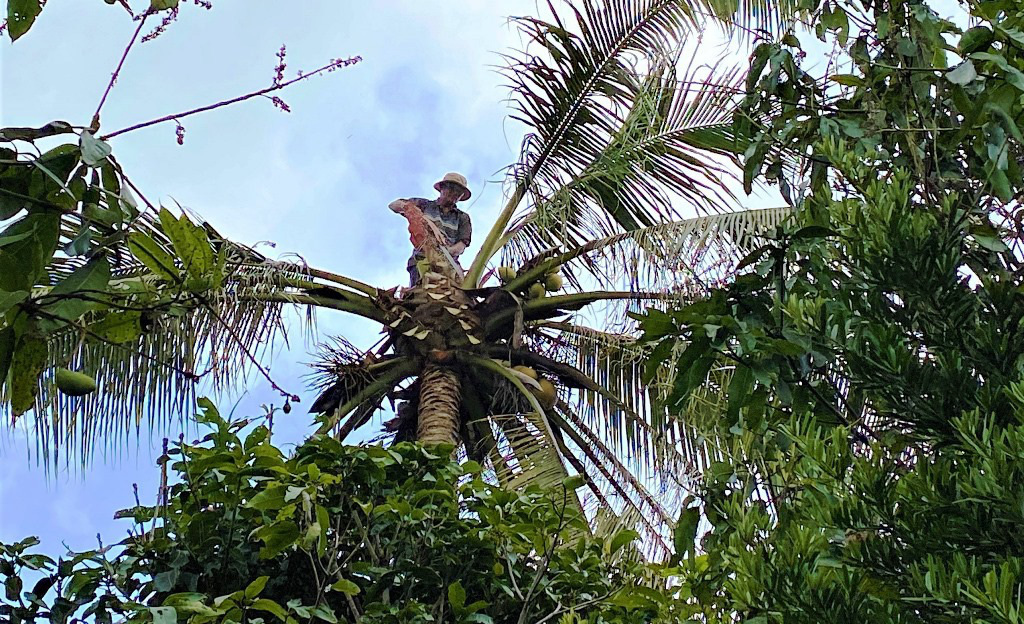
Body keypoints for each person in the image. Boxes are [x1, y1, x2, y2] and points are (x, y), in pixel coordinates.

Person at [389, 172, 472, 287]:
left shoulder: (463, 218)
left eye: (459, 192)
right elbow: (394, 205)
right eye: (451, 188)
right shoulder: (425, 205)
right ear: (442, 188)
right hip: (421, 261)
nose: (454, 194)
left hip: (449, 268)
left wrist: (443, 253)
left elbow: (461, 246)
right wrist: (420, 217)